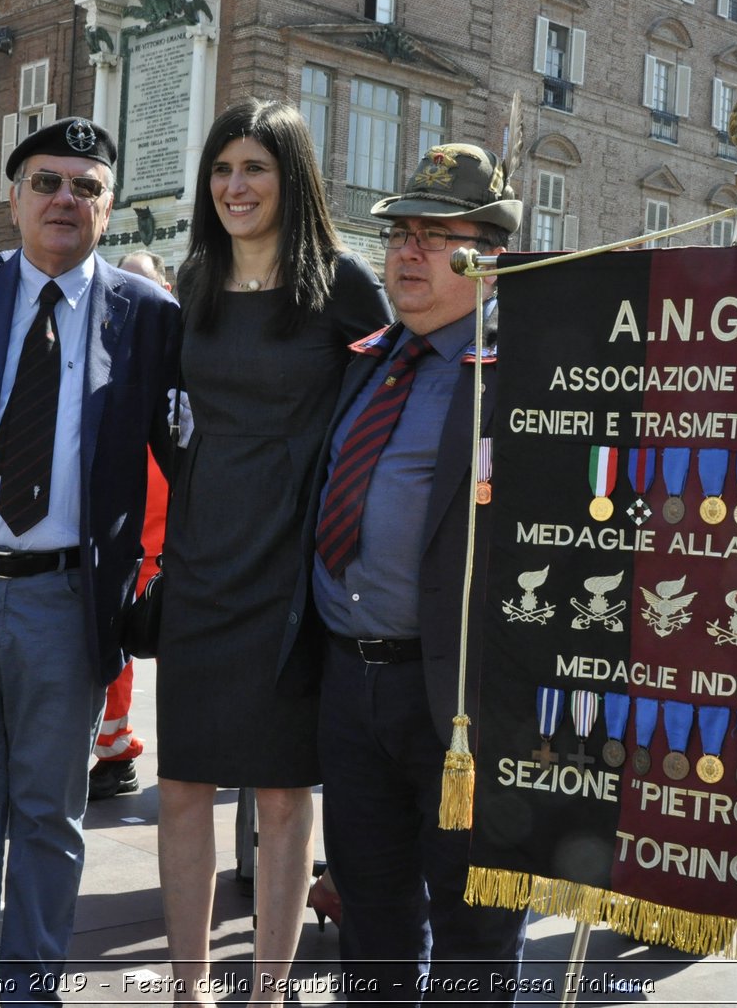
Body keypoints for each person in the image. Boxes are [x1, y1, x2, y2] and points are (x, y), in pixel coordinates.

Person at [0, 116, 179, 1003]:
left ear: (109, 209)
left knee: (50, 813)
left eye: (86, 187)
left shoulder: (149, 316)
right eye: (47, 182)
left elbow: (195, 461)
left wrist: (170, 583)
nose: (66, 199)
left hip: (68, 599)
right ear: (13, 197)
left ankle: (29, 983)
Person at [155, 100, 390, 1004]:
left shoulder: (343, 286)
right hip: (204, 562)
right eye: (222, 168)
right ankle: (188, 989)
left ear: (292, 179)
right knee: (182, 783)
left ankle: (268, 990)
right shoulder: (194, 283)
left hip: (296, 569)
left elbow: (389, 406)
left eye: (254, 168)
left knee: (286, 793)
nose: (235, 186)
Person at [305, 142, 529, 1003]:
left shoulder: (526, 376)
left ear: (489, 256)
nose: (405, 252)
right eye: (399, 233)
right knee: (371, 923)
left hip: (464, 707)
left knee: (474, 937)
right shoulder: (368, 358)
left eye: (435, 236)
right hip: (351, 691)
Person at [86, 249, 173, 803]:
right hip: (117, 522)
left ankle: (118, 753)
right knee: (108, 643)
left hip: (166, 531)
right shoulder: (100, 341)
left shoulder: (178, 343)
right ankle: (113, 750)